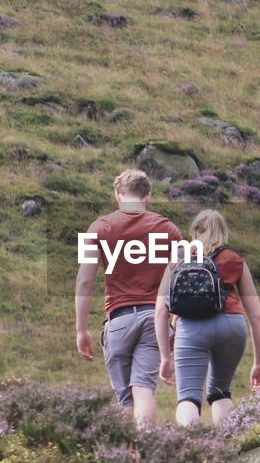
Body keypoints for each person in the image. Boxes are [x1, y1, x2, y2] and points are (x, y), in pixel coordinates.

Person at [76, 169, 182, 429]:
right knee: (143, 388)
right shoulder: (168, 229)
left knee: (125, 399)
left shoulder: (98, 228)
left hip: (118, 320)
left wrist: (81, 329)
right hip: (153, 319)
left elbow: (85, 281)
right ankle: (146, 446)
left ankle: (128, 461)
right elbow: (182, 281)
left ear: (118, 195)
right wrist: (177, 324)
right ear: (148, 196)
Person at [155, 208, 260, 428]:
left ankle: (195, 445)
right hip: (232, 326)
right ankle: (228, 445)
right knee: (220, 391)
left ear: (195, 231)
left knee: (188, 397)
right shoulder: (235, 259)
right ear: (223, 232)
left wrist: (165, 356)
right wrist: (259, 362)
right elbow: (256, 315)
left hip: (191, 328)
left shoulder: (179, 258)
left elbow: (160, 310)